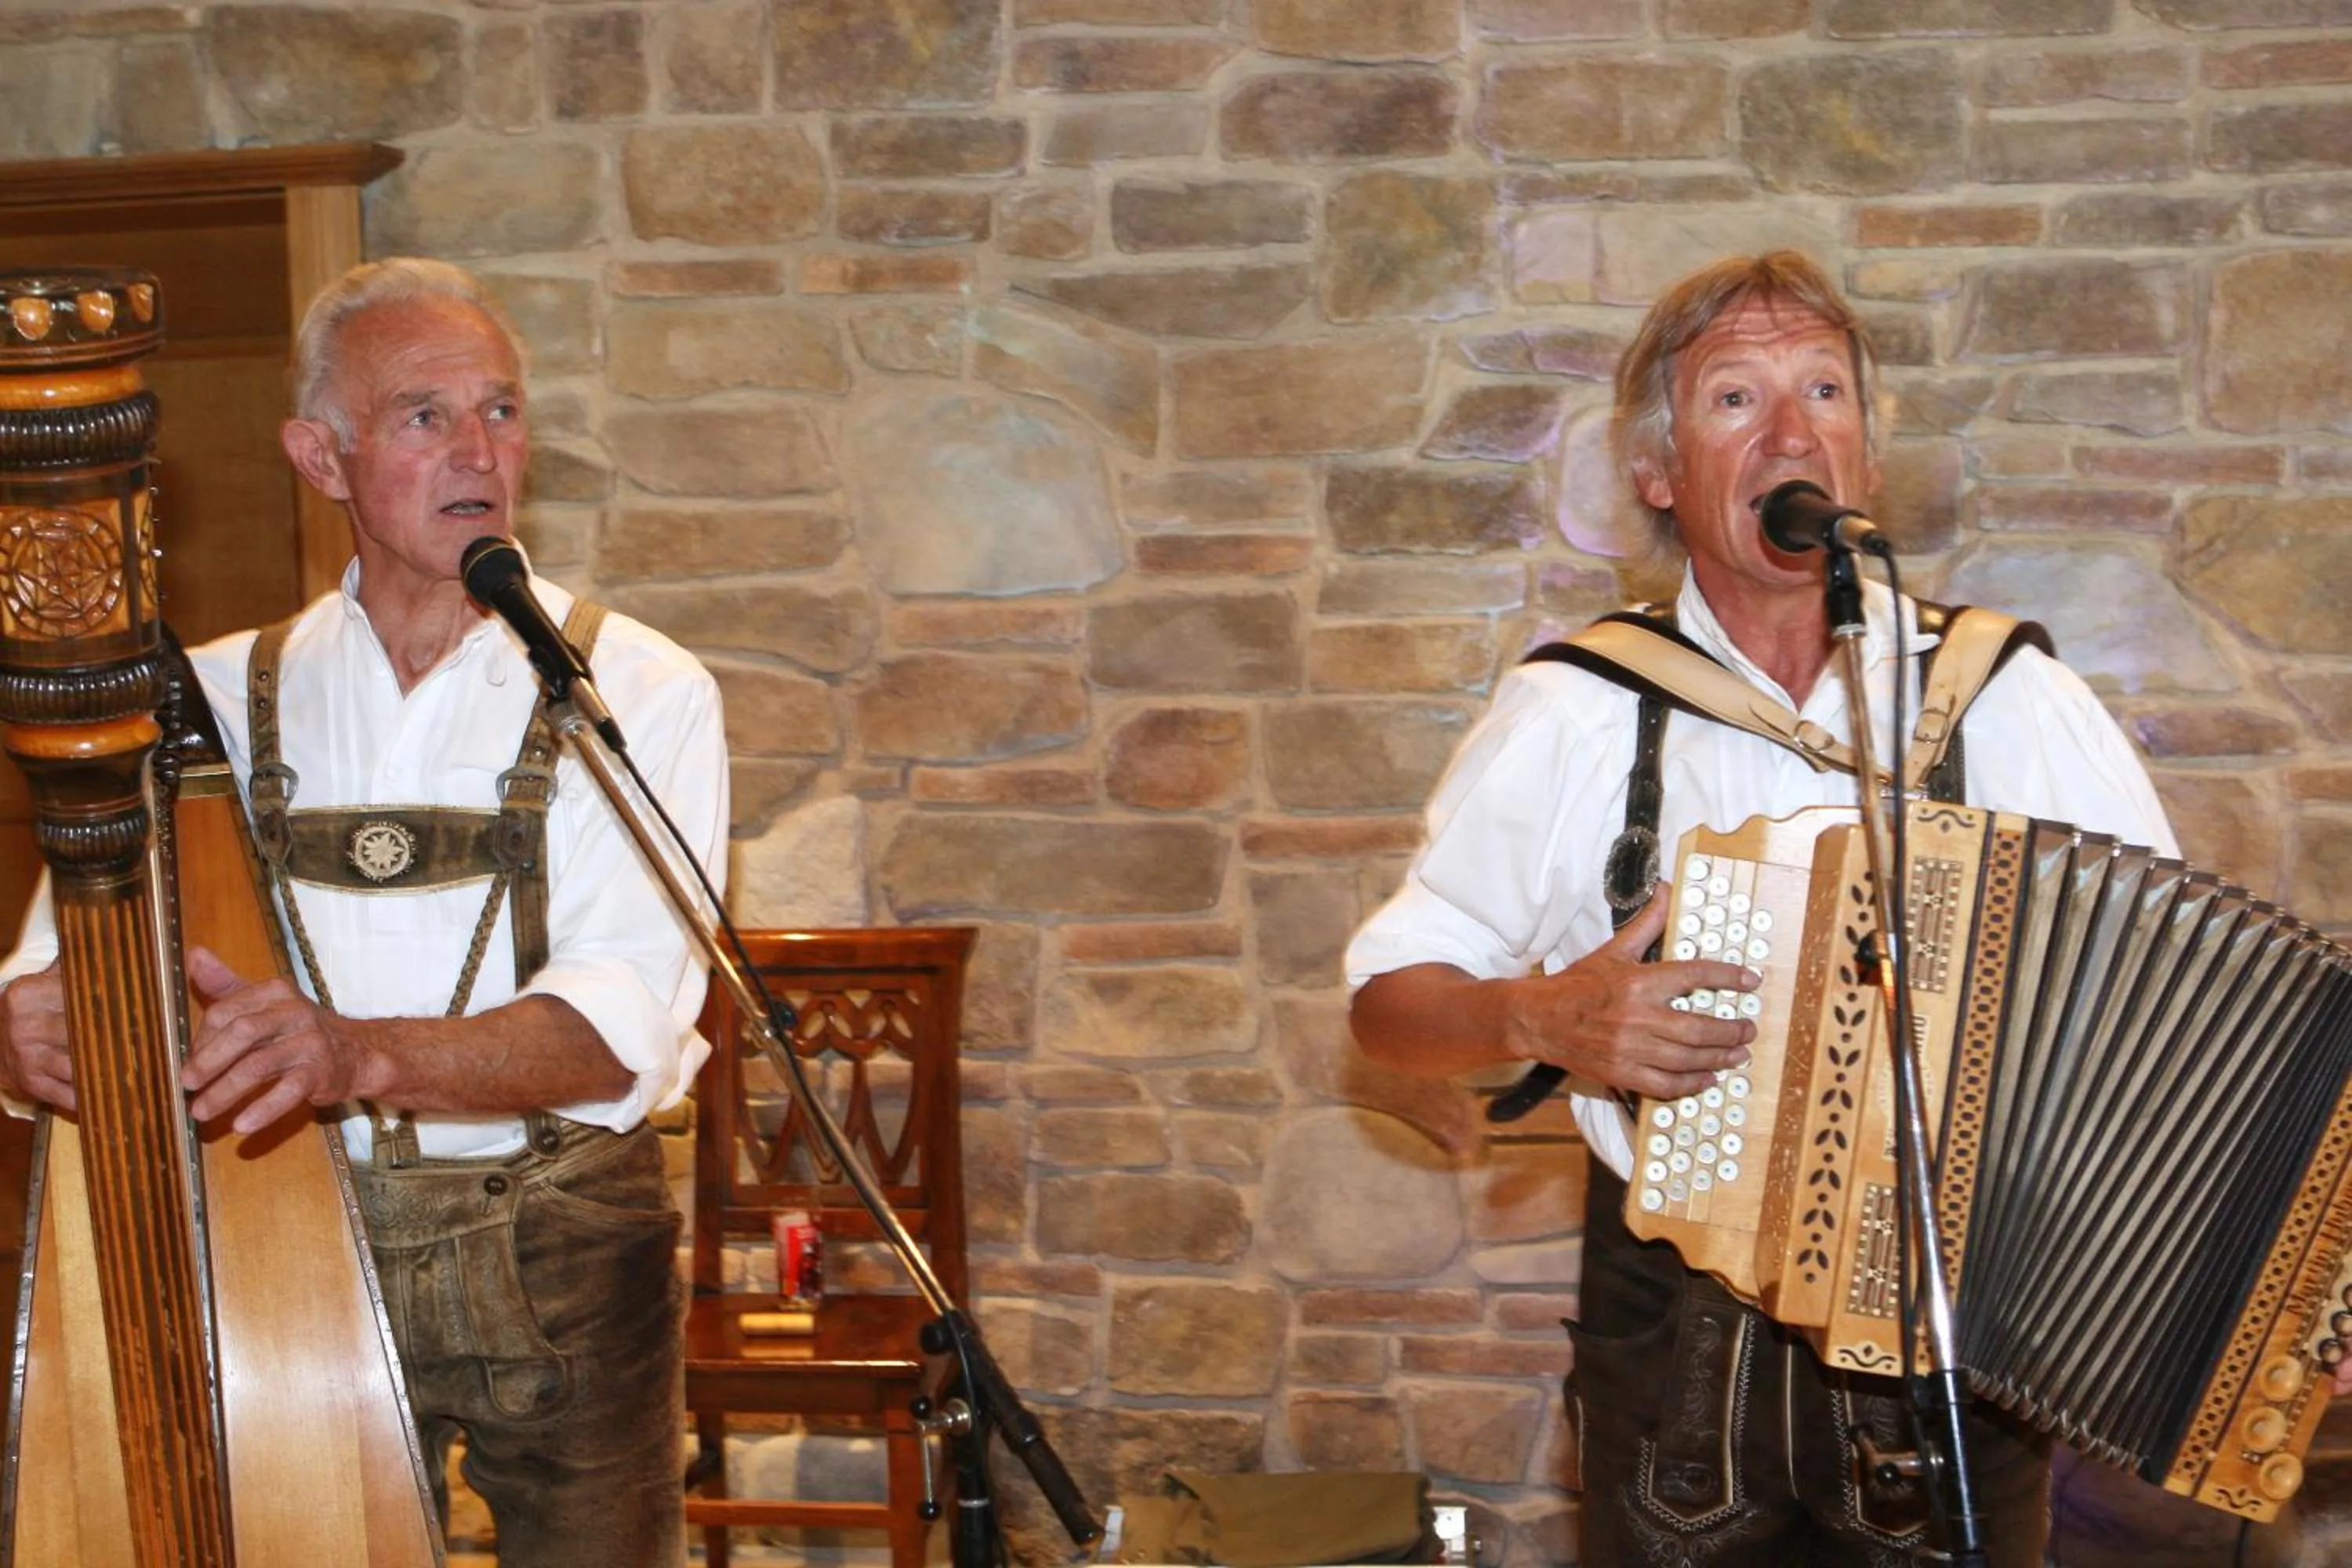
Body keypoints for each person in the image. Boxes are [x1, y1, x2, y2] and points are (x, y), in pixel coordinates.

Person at [1345, 251, 2180, 1566]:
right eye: (1736, 397)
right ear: (1658, 471)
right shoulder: (1579, 707)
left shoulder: (2010, 697)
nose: (1794, 431)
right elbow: (1389, 1010)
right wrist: (1544, 1012)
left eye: (1826, 392)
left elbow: (2173, 1014)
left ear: (1865, 456)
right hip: (1678, 1335)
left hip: (1958, 1327)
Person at [0, 257, 726, 1568]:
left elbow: (620, 1025)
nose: (478, 450)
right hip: (288, 1239)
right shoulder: (205, 701)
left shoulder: (638, 686)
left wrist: (357, 1053)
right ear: (319, 457)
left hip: (562, 1242)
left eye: (500, 411)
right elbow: (47, 976)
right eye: (423, 415)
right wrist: (24, 1037)